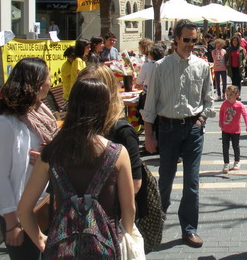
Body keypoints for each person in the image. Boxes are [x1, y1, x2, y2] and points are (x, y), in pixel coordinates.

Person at [17, 78, 135, 257]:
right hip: (105, 247)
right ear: (105, 109)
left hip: (63, 248)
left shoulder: (50, 154)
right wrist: (123, 236)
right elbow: (129, 209)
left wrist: (41, 239)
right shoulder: (118, 153)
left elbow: (24, 209)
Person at [140, 19, 216, 248]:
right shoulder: (161, 67)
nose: (191, 44)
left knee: (192, 183)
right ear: (176, 39)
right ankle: (155, 225)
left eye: (194, 40)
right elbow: (151, 102)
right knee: (165, 181)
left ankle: (189, 229)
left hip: (193, 129)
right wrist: (150, 135)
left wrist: (201, 120)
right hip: (169, 128)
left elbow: (209, 100)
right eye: (186, 39)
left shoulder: (202, 66)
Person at [0, 58, 58, 260]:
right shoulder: (6, 124)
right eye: (48, 77)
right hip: (20, 215)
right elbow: (0, 176)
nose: (51, 82)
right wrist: (12, 225)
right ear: (37, 84)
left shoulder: (41, 112)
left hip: (45, 206)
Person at [78, 64, 143, 193]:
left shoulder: (122, 131)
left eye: (92, 90)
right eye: (80, 89)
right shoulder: (74, 128)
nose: (84, 97)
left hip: (109, 209)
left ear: (108, 92)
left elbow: (135, 184)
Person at [218, 85, 247, 173]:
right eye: (227, 95)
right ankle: (226, 163)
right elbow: (221, 112)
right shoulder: (224, 104)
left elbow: (245, 115)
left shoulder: (239, 105)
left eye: (231, 95)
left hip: (236, 131)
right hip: (225, 129)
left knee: (235, 146)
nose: (228, 97)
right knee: (225, 147)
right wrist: (221, 121)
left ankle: (237, 161)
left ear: (236, 95)